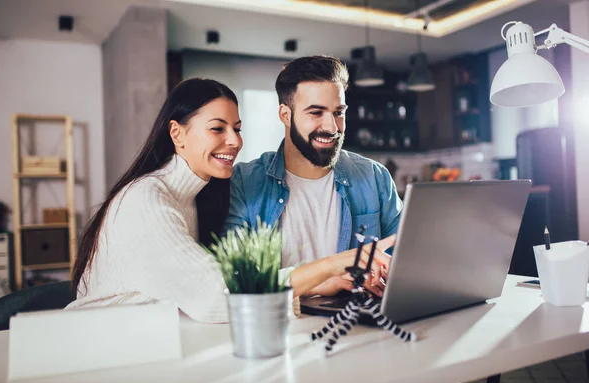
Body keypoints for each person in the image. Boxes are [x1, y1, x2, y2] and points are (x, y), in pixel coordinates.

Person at [223, 56, 471, 383]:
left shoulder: (372, 176)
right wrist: (320, 282)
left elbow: (408, 258)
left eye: (339, 112)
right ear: (284, 115)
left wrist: (390, 274)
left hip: (365, 334)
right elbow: (236, 283)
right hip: (283, 343)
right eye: (316, 112)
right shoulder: (246, 182)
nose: (333, 126)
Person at [66, 78, 388, 323]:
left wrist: (319, 285)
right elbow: (217, 297)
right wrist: (331, 265)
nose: (234, 142)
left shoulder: (193, 198)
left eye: (236, 128)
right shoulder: (147, 200)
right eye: (217, 129)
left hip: (144, 347)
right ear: (177, 134)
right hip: (95, 358)